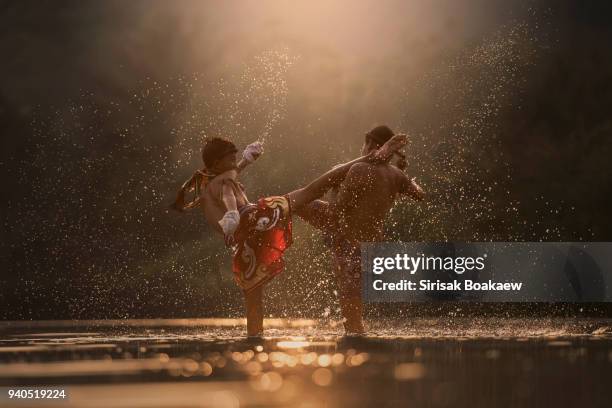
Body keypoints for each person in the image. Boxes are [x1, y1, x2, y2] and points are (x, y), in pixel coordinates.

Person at [173, 134, 406, 336]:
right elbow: (227, 194)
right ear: (217, 163)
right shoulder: (223, 183)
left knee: (253, 303)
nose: (235, 165)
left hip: (243, 241)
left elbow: (226, 180)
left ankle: (255, 339)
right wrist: (232, 214)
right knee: (313, 189)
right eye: (231, 160)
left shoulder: (208, 184)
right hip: (257, 219)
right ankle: (373, 157)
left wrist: (246, 160)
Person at [296, 125, 425, 334]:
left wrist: (331, 191)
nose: (361, 148)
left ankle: (358, 356)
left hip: (349, 243)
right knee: (355, 313)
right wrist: (402, 172)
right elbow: (420, 194)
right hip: (374, 246)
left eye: (364, 144)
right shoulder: (395, 175)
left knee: (352, 319)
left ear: (371, 145)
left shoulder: (357, 169)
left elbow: (338, 210)